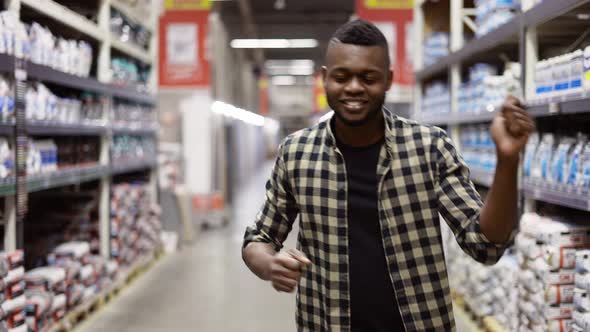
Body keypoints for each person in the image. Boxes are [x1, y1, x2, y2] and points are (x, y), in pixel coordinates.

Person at [242, 19, 534, 331]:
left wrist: (507, 160)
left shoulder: (429, 147)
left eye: (368, 77)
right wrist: (270, 265)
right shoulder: (297, 152)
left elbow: (485, 244)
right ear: (325, 79)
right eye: (342, 77)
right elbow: (257, 239)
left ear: (389, 79)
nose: (354, 87)